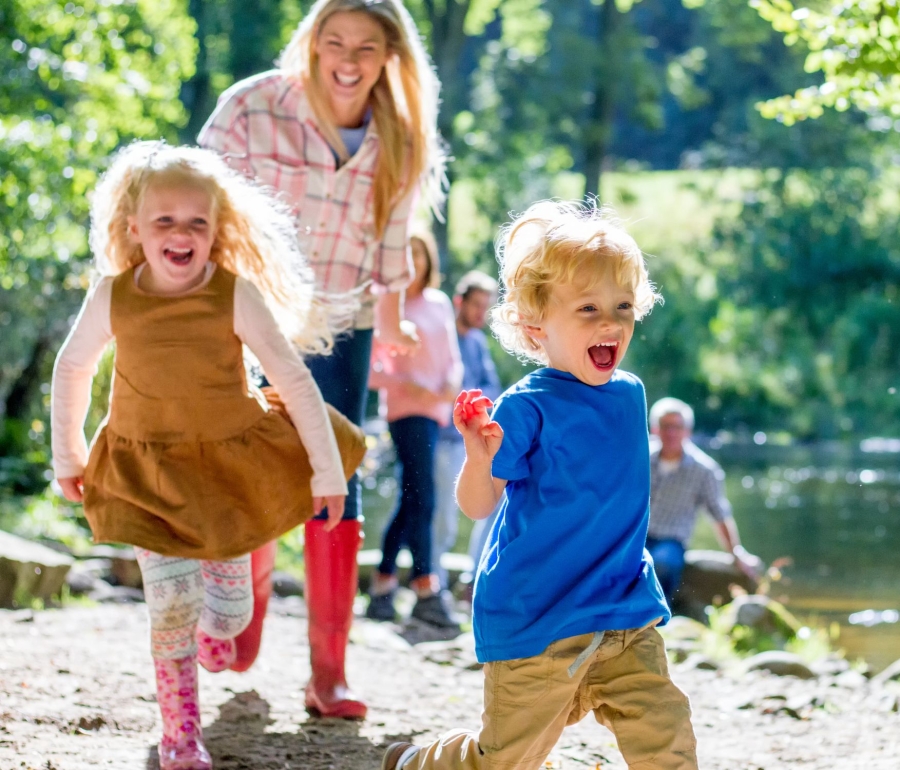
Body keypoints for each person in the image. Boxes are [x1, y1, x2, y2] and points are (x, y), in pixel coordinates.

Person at [50, 142, 364, 770]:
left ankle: (214, 637)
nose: (181, 233)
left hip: (224, 477)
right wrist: (70, 455)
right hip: (146, 474)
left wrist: (328, 473)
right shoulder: (114, 295)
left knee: (224, 621)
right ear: (133, 228)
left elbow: (295, 380)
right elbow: (72, 369)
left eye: (197, 221)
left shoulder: (233, 294)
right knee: (168, 605)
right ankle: (180, 737)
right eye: (164, 220)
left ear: (217, 230)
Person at [382, 200, 698, 770]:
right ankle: (420, 763)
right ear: (536, 328)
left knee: (667, 736)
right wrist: (480, 458)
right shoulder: (525, 407)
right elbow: (477, 505)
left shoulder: (630, 394)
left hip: (622, 612)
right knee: (503, 761)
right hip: (538, 619)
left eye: (622, 306)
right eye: (588, 308)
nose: (611, 322)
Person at [197, 0, 446, 718]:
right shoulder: (252, 108)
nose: (347, 59)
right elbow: (195, 201)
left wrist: (394, 320)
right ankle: (243, 617)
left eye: (366, 47)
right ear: (311, 42)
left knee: (335, 469)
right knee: (253, 464)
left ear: (390, 56)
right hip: (251, 316)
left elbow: (393, 241)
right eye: (333, 41)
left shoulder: (400, 131)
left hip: (344, 320)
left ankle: (327, 674)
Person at [366, 227, 463, 628]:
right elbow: (370, 371)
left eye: (419, 255)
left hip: (437, 410)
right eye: (406, 255)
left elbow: (452, 357)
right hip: (406, 412)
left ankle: (384, 585)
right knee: (423, 496)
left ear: (428, 262)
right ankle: (426, 587)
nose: (413, 263)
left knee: (413, 498)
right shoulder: (387, 305)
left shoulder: (439, 303)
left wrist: (452, 385)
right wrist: (402, 384)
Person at [647, 397, 762, 607]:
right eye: (665, 426)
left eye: (677, 427)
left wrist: (736, 552)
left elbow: (719, 514)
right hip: (636, 536)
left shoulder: (704, 470)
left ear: (687, 431)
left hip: (670, 540)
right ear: (655, 429)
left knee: (660, 564)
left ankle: (654, 618)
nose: (671, 433)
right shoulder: (641, 456)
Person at [431, 270, 501, 590]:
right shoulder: (442, 336)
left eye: (485, 307)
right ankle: (435, 585)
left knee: (491, 507)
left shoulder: (477, 343)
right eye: (475, 305)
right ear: (459, 301)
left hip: (473, 437)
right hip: (443, 437)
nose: (480, 313)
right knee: (442, 516)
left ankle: (475, 579)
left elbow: (491, 386)